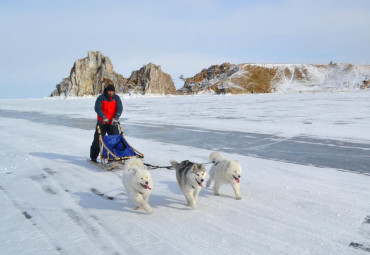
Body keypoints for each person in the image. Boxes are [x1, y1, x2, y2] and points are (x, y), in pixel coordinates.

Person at [90, 84, 123, 162]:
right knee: (98, 140)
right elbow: (97, 108)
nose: (111, 93)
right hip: (102, 123)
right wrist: (103, 117)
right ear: (106, 91)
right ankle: (93, 158)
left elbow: (120, 108)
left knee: (115, 140)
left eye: (112, 91)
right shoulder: (101, 98)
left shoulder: (116, 98)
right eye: (109, 91)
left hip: (112, 123)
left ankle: (115, 156)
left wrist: (116, 117)